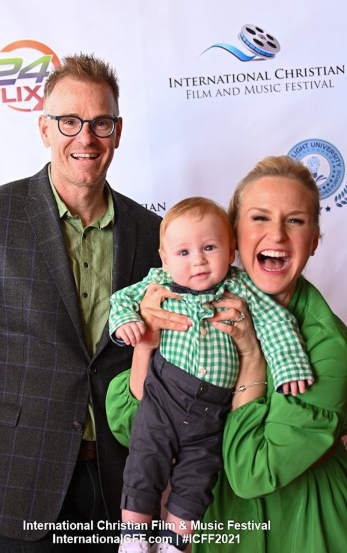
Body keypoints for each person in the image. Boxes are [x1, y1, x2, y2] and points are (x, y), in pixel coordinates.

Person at [0, 53, 162, 553]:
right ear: (45, 129)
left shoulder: (152, 232)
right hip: (17, 486)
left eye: (100, 123)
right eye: (69, 121)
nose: (85, 138)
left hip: (122, 485)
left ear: (118, 130)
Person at [106, 156, 347, 553]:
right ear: (234, 233)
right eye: (259, 218)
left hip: (302, 528)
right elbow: (133, 425)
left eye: (296, 221)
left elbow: (251, 472)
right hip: (215, 527)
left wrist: (251, 356)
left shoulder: (327, 345)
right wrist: (147, 343)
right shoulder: (188, 302)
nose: (278, 235)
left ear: (315, 240)